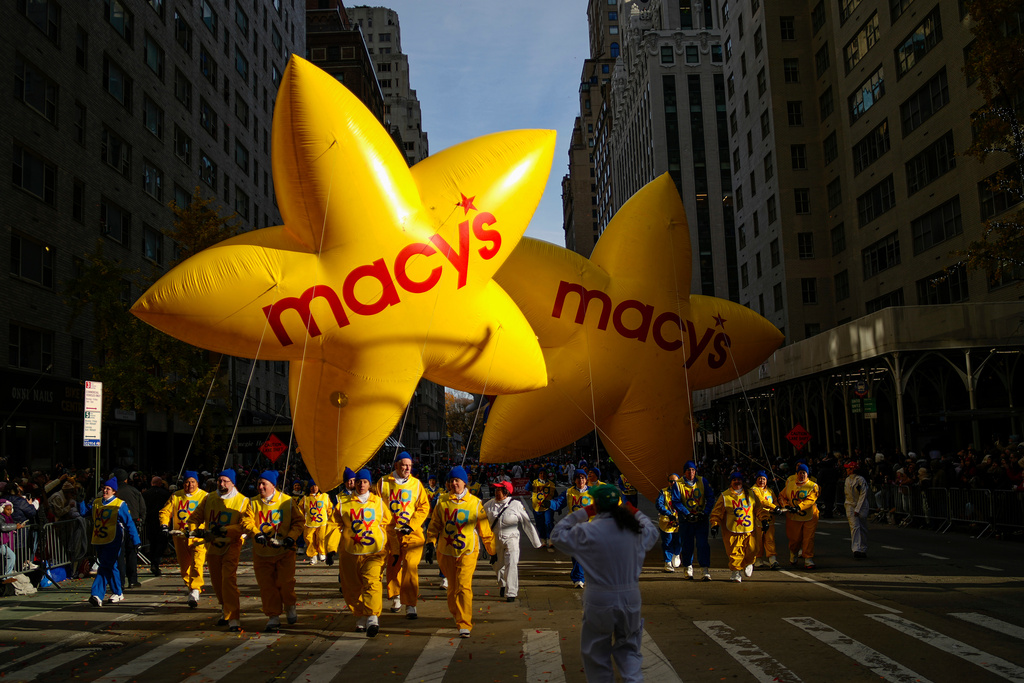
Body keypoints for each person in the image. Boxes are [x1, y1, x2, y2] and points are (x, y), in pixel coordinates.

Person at [550, 483, 660, 683]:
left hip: (599, 598)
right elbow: (652, 531)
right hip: (630, 597)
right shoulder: (634, 530)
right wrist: (635, 511)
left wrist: (583, 513)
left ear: (596, 506)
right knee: (629, 650)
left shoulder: (587, 531)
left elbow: (557, 535)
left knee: (596, 654)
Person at [425, 466, 495, 638]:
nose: (454, 484)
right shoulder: (442, 501)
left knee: (464, 585)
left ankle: (464, 623)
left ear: (465, 482)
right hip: (446, 551)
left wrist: (492, 550)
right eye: (451, 481)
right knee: (452, 587)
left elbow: (485, 529)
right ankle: (457, 613)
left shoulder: (475, 503)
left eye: (457, 480)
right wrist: (429, 544)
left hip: (467, 550)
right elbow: (434, 525)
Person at [188, 469, 249, 631]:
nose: (221, 484)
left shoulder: (243, 501)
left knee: (228, 580)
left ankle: (234, 617)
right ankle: (225, 609)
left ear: (233, 482)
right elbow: (195, 518)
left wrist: (225, 530)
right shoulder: (209, 498)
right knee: (217, 582)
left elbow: (244, 525)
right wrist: (194, 530)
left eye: (225, 481)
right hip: (212, 547)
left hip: (232, 546)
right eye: (219, 481)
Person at [242, 470, 303, 632]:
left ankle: (290, 605)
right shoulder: (252, 502)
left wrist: (291, 537)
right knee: (267, 586)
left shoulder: (287, 501)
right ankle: (273, 616)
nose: (260, 487)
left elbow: (299, 522)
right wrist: (255, 534)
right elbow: (246, 521)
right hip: (262, 553)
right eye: (259, 483)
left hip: (285, 552)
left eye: (264, 484)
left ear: (273, 485)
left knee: (285, 583)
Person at [336, 468, 393, 637]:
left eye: (365, 482)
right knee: (352, 586)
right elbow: (334, 525)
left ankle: (372, 617)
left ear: (370, 484)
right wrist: (331, 548)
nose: (362, 485)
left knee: (372, 582)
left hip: (374, 551)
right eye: (359, 481)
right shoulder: (343, 503)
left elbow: (388, 525)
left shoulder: (378, 502)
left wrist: (392, 548)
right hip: (351, 552)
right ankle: (359, 614)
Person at [376, 451, 430, 619]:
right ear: (396, 465)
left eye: (409, 466)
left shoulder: (416, 484)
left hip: (412, 534)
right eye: (403, 465)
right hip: (391, 533)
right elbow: (375, 505)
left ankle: (411, 604)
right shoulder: (383, 482)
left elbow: (423, 508)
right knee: (393, 567)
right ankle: (396, 596)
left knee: (410, 566)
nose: (407, 468)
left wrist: (411, 525)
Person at [87, 478, 141, 607]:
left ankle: (97, 594)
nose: (105, 490)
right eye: (104, 488)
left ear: (114, 491)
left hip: (114, 539)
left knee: (105, 566)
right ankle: (118, 592)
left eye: (108, 489)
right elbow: (86, 513)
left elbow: (129, 523)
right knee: (111, 566)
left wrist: (136, 541)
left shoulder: (120, 504)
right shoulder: (97, 502)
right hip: (99, 539)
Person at [484, 480, 541, 601]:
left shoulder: (516, 505)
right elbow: (480, 524)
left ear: (506, 492)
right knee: (497, 565)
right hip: (495, 541)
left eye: (499, 489)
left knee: (511, 564)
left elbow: (527, 523)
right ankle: (503, 584)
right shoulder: (488, 505)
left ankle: (511, 592)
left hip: (512, 539)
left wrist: (536, 542)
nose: (496, 492)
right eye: (496, 489)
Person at [158, 471, 208, 607]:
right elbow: (165, 511)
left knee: (197, 563)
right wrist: (164, 525)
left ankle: (196, 589)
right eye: (187, 481)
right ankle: (191, 587)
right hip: (179, 536)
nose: (190, 484)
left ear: (197, 483)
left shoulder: (205, 496)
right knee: (185, 567)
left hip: (198, 537)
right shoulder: (176, 496)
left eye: (193, 481)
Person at [658, 462, 714, 580]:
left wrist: (705, 512)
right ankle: (688, 566)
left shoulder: (702, 481)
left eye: (693, 470)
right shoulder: (678, 485)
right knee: (687, 545)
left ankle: (704, 569)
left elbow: (710, 498)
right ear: (684, 472)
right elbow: (676, 501)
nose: (691, 472)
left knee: (702, 544)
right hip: (686, 520)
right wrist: (687, 514)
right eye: (688, 470)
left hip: (701, 519)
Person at [709, 472, 757, 583]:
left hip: (749, 529)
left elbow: (758, 508)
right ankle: (736, 572)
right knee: (734, 552)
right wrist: (715, 525)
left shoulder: (751, 494)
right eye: (734, 480)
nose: (737, 482)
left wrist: (764, 519)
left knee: (752, 549)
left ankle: (749, 562)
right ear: (731, 482)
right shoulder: (725, 496)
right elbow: (717, 512)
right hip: (732, 530)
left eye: (739, 479)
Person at [549, 469, 594, 587]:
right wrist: (549, 504)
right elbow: (558, 503)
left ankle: (581, 575)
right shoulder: (569, 492)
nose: (581, 480)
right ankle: (579, 578)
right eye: (578, 478)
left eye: (583, 478)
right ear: (574, 480)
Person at [781, 463, 820, 569]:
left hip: (810, 516)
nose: (802, 475)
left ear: (807, 474)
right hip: (793, 517)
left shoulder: (813, 486)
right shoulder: (790, 484)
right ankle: (793, 552)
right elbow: (782, 496)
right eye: (800, 473)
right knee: (795, 539)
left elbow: (811, 500)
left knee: (808, 538)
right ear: (797, 474)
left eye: (804, 473)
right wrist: (786, 506)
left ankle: (808, 558)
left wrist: (799, 507)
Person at [112, 468, 146, 590]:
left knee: (119, 555)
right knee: (132, 553)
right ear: (127, 479)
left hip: (116, 526)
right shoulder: (134, 491)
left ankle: (120, 581)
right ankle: (132, 580)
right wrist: (141, 519)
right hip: (132, 523)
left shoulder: (113, 492)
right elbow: (142, 508)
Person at [750, 470, 781, 569]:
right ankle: (758, 559)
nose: (761, 481)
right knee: (758, 540)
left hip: (769, 519)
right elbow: (761, 501)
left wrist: (776, 507)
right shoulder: (753, 490)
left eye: (763, 479)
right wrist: (774, 507)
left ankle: (772, 559)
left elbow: (775, 500)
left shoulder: (770, 491)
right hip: (757, 521)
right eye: (759, 479)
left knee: (770, 540)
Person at [142, 477, 171, 576]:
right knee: (161, 543)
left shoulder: (145, 494)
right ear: (160, 483)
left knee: (153, 543)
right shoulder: (166, 494)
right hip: (162, 522)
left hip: (150, 521)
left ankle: (153, 562)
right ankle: (156, 562)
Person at [525, 469, 557, 551]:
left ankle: (549, 539)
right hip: (537, 507)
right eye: (540, 473)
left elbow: (555, 494)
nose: (542, 475)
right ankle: (542, 538)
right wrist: (530, 481)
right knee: (540, 524)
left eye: (544, 473)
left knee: (548, 522)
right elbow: (527, 488)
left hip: (548, 507)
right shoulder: (534, 482)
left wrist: (556, 506)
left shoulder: (551, 484)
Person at [300, 481, 331, 565]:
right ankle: (312, 556)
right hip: (309, 523)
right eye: (312, 486)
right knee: (309, 539)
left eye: (316, 486)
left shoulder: (325, 496)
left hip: (322, 522)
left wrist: (331, 518)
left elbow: (329, 508)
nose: (314, 488)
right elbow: (300, 510)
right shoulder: (305, 498)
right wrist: (301, 519)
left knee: (321, 538)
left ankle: (322, 553)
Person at [844, 461, 869, 559]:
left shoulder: (860, 480)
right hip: (850, 505)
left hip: (862, 506)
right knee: (854, 527)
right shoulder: (847, 480)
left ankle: (863, 548)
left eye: (848, 468)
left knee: (862, 528)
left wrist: (858, 508)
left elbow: (863, 495)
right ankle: (856, 549)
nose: (847, 470)